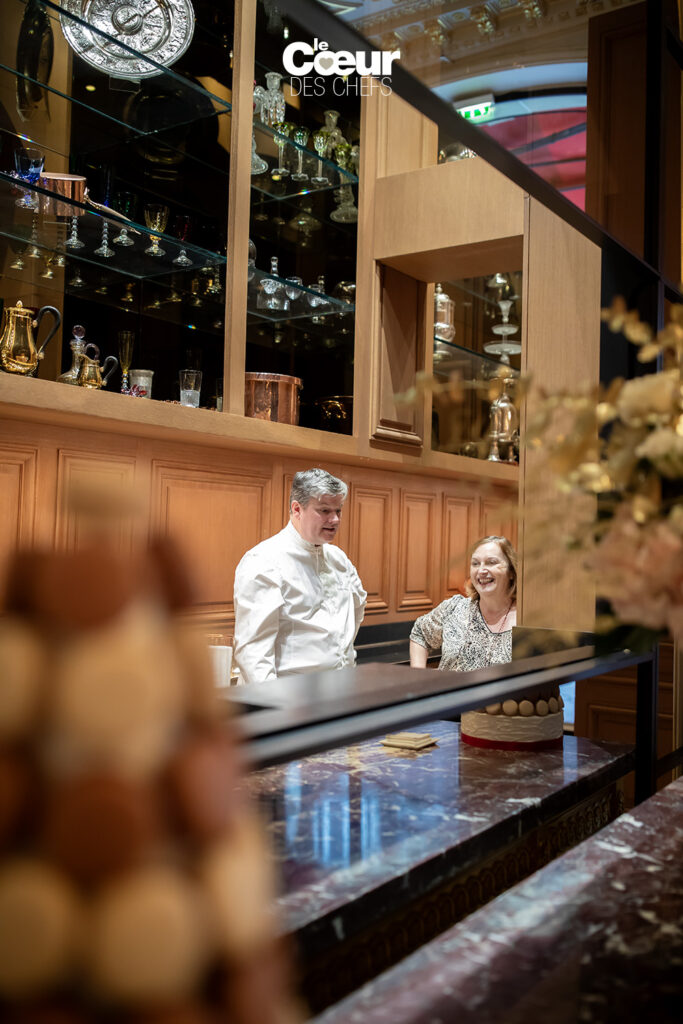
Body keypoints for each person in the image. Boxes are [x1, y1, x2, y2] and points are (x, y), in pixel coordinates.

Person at [233, 468, 367, 684]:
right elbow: (253, 653)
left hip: (342, 686)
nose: (334, 519)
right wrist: (272, 702)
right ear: (297, 509)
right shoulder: (263, 561)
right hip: (289, 694)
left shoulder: (339, 559)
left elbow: (356, 612)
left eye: (338, 511)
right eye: (324, 510)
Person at [409, 535, 517, 671]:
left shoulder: (526, 619)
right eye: (475, 563)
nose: (481, 570)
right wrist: (418, 674)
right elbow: (420, 633)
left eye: (491, 562)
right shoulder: (454, 607)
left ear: (511, 572)